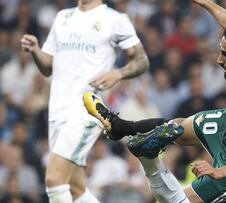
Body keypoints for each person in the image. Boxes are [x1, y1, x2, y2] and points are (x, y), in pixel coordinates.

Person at [83, 0, 226, 202]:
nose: (219, 60)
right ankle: (120, 127)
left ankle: (150, 160)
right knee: (177, 126)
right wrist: (203, 2)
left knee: (181, 201)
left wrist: (219, 171)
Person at [20, 0, 149, 202]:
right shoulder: (63, 16)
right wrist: (36, 50)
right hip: (57, 111)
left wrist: (118, 73)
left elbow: (142, 60)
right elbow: (47, 67)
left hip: (86, 111)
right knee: (74, 188)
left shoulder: (115, 20)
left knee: (54, 180)